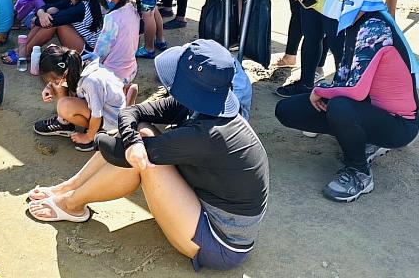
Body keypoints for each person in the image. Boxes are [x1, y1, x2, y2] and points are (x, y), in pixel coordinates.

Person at [27, 39, 269, 274]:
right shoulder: (207, 104)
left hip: (221, 243)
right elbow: (133, 111)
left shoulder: (207, 135)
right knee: (138, 139)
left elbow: (114, 147)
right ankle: (68, 188)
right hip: (207, 207)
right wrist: (131, 139)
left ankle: (71, 204)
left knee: (140, 159)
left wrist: (120, 140)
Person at [275, 0, 418, 202]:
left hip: (399, 124)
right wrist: (324, 94)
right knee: (288, 110)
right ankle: (364, 137)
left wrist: (320, 91)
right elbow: (345, 76)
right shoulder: (356, 21)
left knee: (340, 106)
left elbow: (355, 89)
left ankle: (359, 172)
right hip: (372, 108)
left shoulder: (374, 27)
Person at [33, 45, 126, 152]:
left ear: (65, 73)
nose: (53, 83)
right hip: (103, 105)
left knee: (64, 106)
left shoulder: (91, 81)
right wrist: (50, 86)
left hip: (111, 118)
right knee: (60, 85)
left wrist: (88, 136)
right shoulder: (75, 62)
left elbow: (97, 114)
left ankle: (96, 134)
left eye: (54, 80)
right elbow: (62, 80)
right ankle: (64, 123)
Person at [23, 0, 103, 54]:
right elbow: (46, 7)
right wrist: (41, 14)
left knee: (54, 24)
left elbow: (52, 21)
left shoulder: (80, 8)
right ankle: (23, 48)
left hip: (90, 51)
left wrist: (35, 20)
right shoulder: (74, 0)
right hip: (82, 42)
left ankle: (25, 52)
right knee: (50, 12)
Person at [95, 0, 140, 85]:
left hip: (114, 76)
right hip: (131, 70)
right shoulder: (133, 10)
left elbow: (101, 52)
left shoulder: (112, 17)